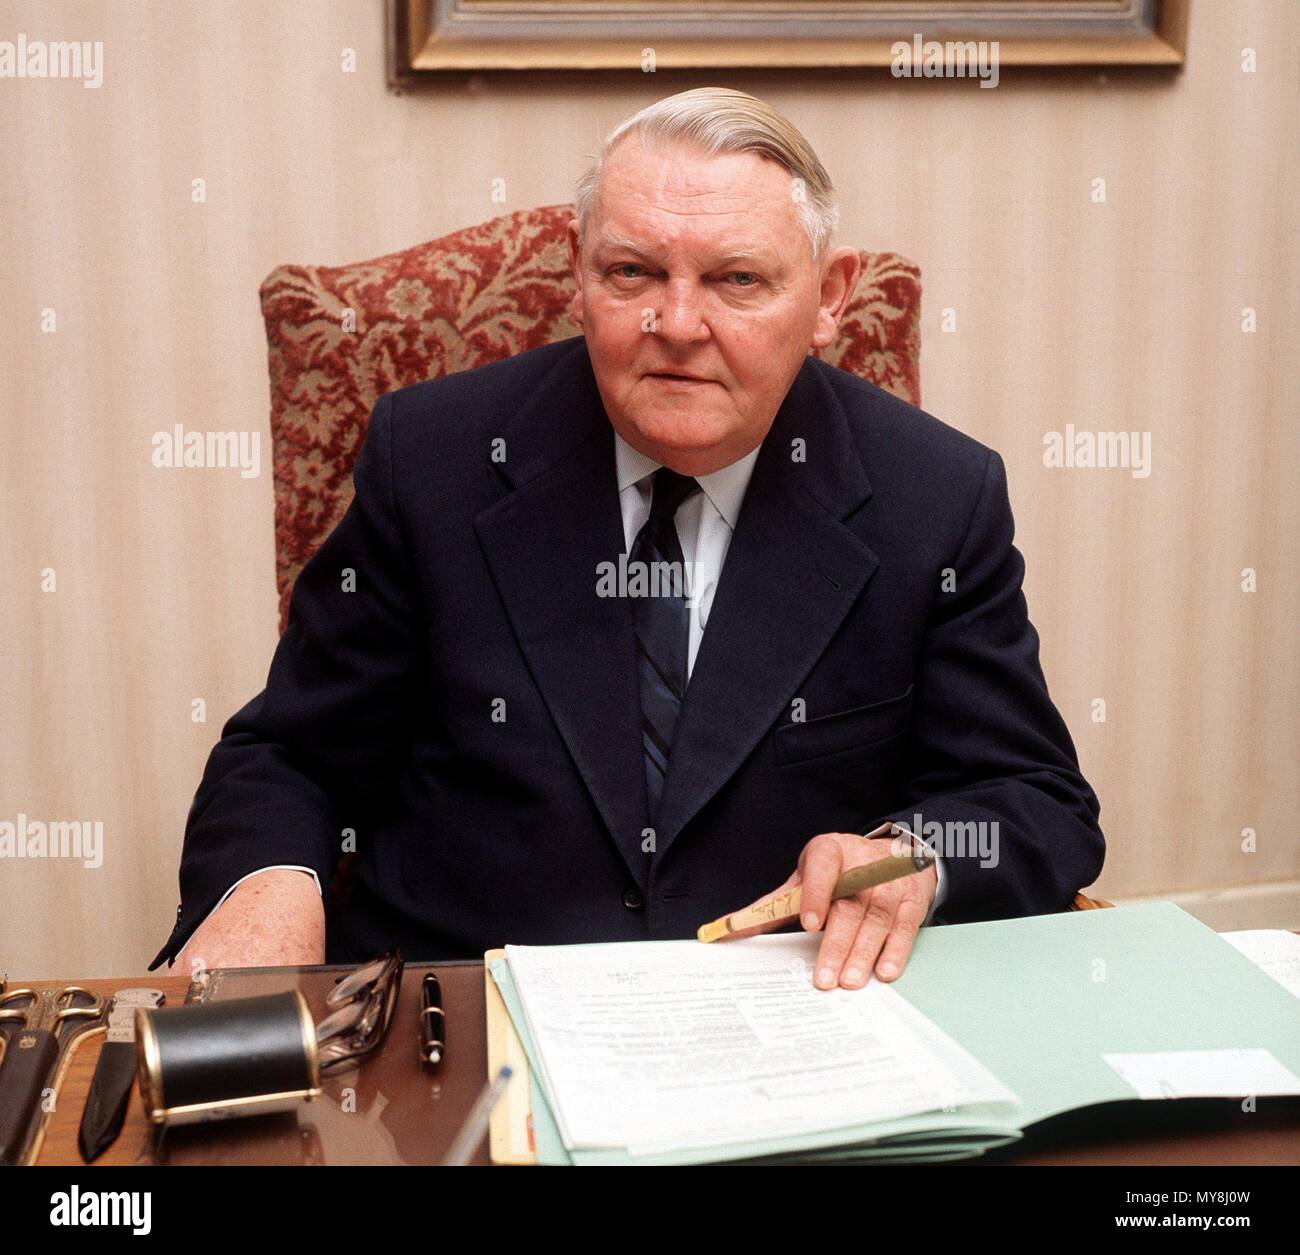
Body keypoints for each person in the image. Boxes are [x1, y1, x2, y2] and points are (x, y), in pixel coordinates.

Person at [152, 87, 1103, 991]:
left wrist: (915, 858)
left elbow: (1032, 797)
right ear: (579, 275)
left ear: (830, 297)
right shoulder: (434, 459)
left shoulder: (933, 497)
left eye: (737, 280)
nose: (676, 324)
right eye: (633, 272)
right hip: (469, 1029)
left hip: (792, 1027)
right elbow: (295, 754)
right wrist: (268, 884)